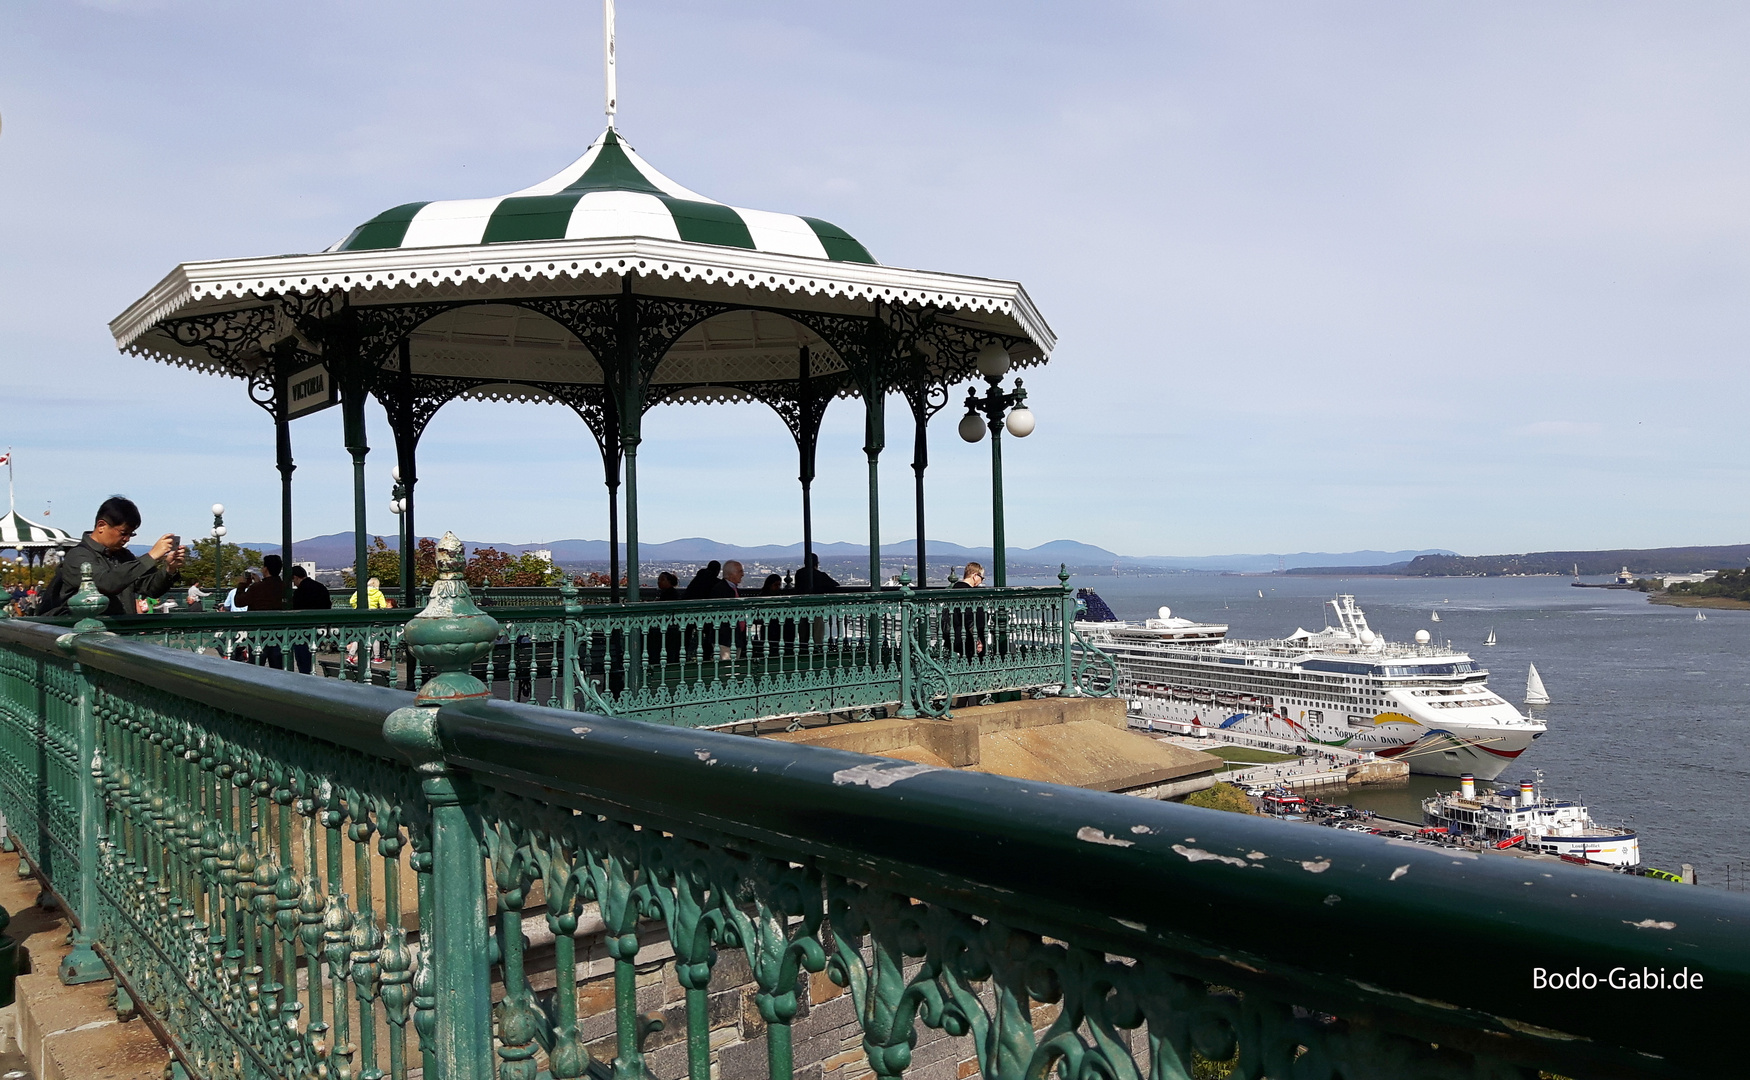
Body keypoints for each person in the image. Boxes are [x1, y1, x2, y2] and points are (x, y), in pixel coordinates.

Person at [41, 496, 183, 617]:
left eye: (131, 534)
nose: (127, 539)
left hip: (120, 637)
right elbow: (106, 583)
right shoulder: (78, 556)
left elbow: (150, 588)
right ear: (101, 525)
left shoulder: (123, 555)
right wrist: (151, 556)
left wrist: (169, 570)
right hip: (86, 639)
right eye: (123, 533)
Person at [242, 555, 288, 669]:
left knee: (256, 665)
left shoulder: (257, 588)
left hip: (258, 632)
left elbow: (239, 601)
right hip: (279, 632)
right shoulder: (284, 587)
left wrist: (243, 585)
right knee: (278, 667)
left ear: (265, 569)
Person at [289, 566, 332, 675]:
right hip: (320, 626)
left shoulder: (300, 591)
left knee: (302, 658)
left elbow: (295, 608)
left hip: (302, 629)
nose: (294, 584)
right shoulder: (320, 587)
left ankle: (305, 676)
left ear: (295, 577)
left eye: (293, 581)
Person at [948, 561, 987, 658]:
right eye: (981, 578)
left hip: (956, 634)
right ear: (975, 575)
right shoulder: (969, 593)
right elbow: (970, 617)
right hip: (969, 639)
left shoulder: (954, 590)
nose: (981, 581)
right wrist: (977, 639)